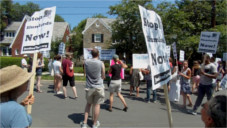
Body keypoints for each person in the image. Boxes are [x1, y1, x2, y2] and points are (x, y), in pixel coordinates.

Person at [81, 48, 105, 128]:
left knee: (88, 104)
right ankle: (94, 124)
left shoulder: (86, 62)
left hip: (89, 86)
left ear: (91, 54)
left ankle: (84, 123)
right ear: (98, 54)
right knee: (97, 105)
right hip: (98, 86)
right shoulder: (101, 63)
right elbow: (103, 76)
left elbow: (85, 72)